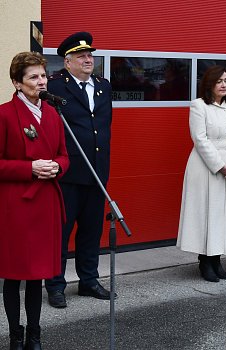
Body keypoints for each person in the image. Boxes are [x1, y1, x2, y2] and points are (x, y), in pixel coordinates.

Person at [0, 52, 69, 349]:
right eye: (33, 77)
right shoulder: (3, 114)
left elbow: (65, 155)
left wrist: (58, 167)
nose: (41, 81)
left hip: (46, 203)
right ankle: (15, 335)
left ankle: (35, 335)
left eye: (43, 75)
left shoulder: (53, 114)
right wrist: (28, 168)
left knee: (38, 275)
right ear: (17, 83)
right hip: (16, 205)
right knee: (15, 276)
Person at [44, 32, 113, 308]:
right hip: (68, 173)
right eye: (82, 56)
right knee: (60, 231)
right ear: (67, 61)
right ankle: (56, 285)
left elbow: (103, 126)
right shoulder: (55, 87)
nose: (88, 60)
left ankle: (88, 280)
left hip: (97, 171)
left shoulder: (103, 86)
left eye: (90, 55)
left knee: (91, 229)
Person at [177, 65, 226, 282]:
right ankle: (205, 261)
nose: (224, 84)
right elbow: (200, 139)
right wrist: (220, 165)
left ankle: (217, 260)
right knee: (206, 214)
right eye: (219, 81)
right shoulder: (198, 106)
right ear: (209, 84)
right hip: (206, 169)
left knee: (224, 216)